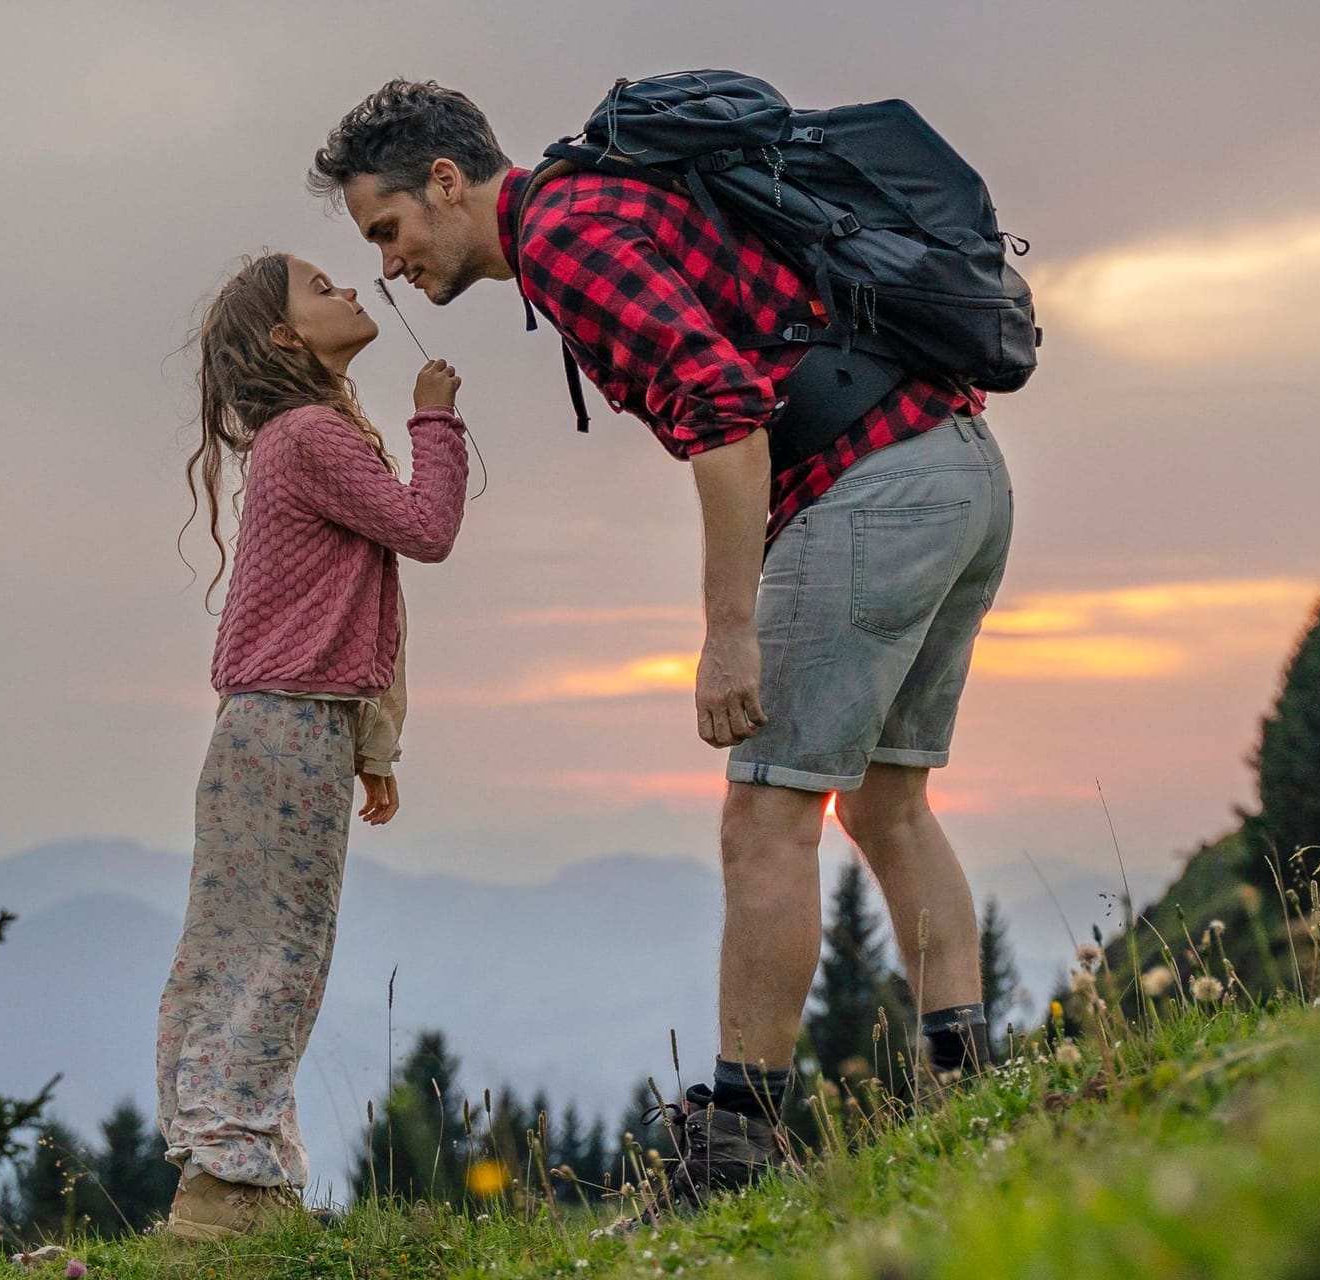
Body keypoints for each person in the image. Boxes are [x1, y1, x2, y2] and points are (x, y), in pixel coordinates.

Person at [309, 81, 1013, 1219]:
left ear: (447, 183)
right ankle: (972, 1091)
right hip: (960, 466)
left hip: (875, 486)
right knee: (888, 802)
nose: (390, 265)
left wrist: (729, 632)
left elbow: (726, 415)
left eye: (387, 229)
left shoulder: (567, 234)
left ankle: (734, 1148)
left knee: (766, 815)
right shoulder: (605, 198)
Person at [155, 251, 470, 1239]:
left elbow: (352, 598)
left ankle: (239, 1182)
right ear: (288, 338)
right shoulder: (312, 434)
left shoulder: (305, 437)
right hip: (287, 721)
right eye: (322, 288)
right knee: (278, 951)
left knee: (249, 945)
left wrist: (371, 740)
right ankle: (225, 1184)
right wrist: (436, 418)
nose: (348, 291)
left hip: (282, 720)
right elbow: (427, 530)